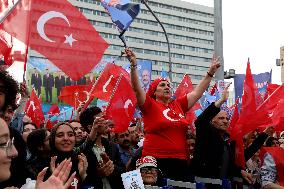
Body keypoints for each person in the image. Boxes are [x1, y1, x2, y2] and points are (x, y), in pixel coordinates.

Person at [125, 48, 220, 181]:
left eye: (169, 85)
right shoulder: (149, 105)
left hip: (180, 160)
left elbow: (197, 93)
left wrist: (210, 73)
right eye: (162, 85)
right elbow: (136, 88)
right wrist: (134, 65)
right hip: (155, 161)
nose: (167, 87)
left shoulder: (178, 105)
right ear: (154, 92)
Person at [191, 86, 253, 188]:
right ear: (212, 121)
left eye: (227, 118)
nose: (225, 121)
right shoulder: (206, 134)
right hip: (204, 185)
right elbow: (200, 121)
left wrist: (241, 171)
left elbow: (229, 165)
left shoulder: (225, 142)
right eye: (221, 118)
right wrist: (221, 101)